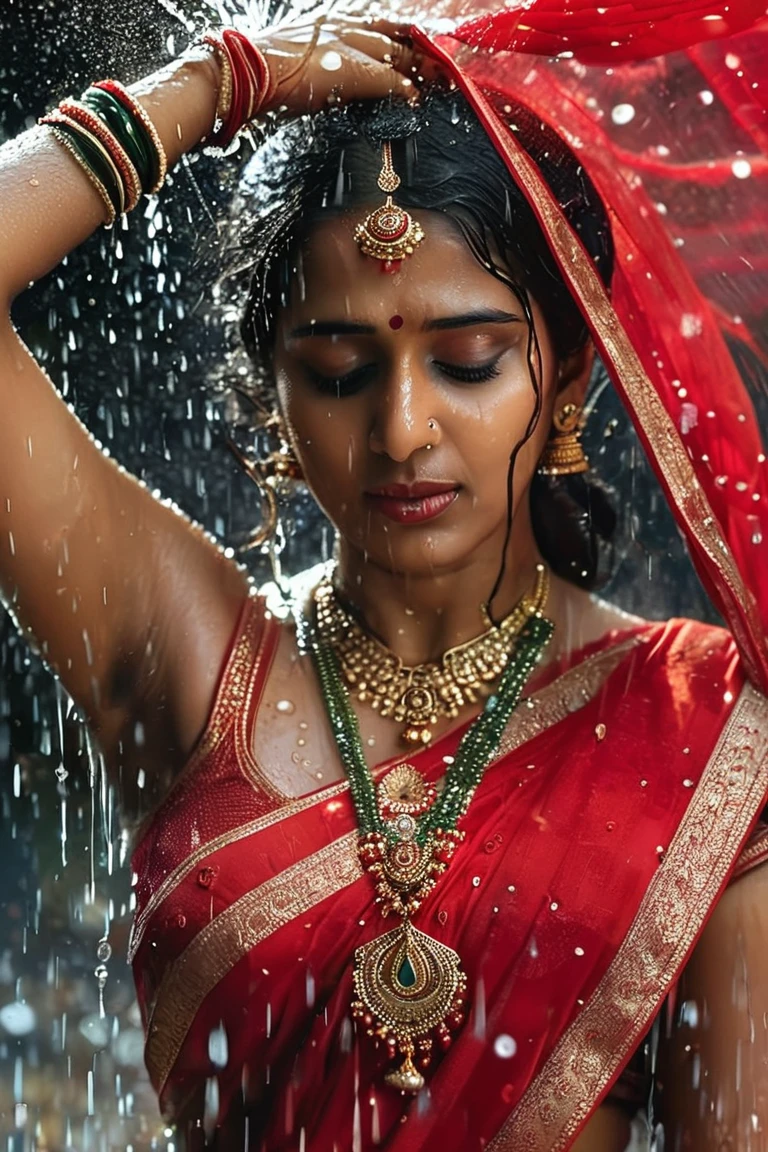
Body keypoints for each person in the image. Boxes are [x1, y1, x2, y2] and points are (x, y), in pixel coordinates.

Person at [0, 4, 767, 1150]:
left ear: (569, 382)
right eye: (342, 371)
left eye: (466, 363)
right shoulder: (190, 661)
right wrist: (215, 86)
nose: (404, 430)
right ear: (273, 402)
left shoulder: (701, 737)